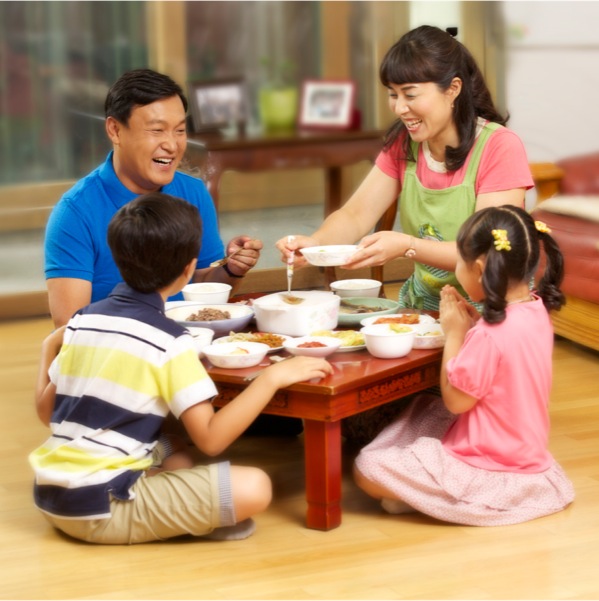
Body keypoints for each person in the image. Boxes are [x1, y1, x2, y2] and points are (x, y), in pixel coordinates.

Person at [275, 25, 535, 444]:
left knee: (401, 425)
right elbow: (357, 211)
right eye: (392, 94)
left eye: (410, 94)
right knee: (347, 410)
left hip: (482, 313)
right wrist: (315, 242)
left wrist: (408, 245)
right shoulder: (405, 144)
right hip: (420, 310)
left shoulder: (499, 148)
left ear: (452, 89)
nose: (399, 107)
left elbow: (489, 255)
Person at [29, 192, 332, 544]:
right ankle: (181, 518)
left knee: (173, 449)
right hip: (101, 509)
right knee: (256, 486)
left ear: (118, 257)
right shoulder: (170, 340)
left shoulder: (85, 319)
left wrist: (47, 348)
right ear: (189, 269)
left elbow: (46, 412)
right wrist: (273, 378)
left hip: (52, 493)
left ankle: (177, 507)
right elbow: (212, 439)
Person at [353, 205, 575, 526]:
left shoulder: (489, 334)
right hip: (527, 453)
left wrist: (455, 335)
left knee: (368, 468)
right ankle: (424, 492)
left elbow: (456, 402)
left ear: (481, 268)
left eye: (459, 262)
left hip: (491, 466)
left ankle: (434, 498)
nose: (456, 268)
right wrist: (473, 326)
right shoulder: (535, 309)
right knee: (424, 410)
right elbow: (503, 365)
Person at [45, 67, 262, 329]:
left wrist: (231, 269)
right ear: (115, 130)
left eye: (180, 131)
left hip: (189, 343)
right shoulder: (75, 212)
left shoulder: (193, 192)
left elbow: (202, 286)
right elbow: (69, 325)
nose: (172, 145)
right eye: (157, 130)